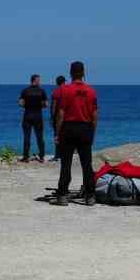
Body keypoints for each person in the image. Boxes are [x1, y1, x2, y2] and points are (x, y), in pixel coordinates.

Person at [52, 60, 99, 207]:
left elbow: (60, 113)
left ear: (71, 73)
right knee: (87, 164)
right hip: (85, 128)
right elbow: (95, 114)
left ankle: (63, 195)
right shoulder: (91, 91)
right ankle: (90, 196)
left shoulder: (65, 90)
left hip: (69, 128)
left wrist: (57, 132)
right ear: (84, 73)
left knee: (66, 164)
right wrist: (92, 132)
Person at [18, 74, 48, 162]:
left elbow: (20, 103)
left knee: (27, 136)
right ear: (35, 80)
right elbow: (46, 104)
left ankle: (26, 157)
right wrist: (40, 105)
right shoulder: (42, 91)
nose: (40, 82)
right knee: (39, 137)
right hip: (38, 115)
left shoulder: (25, 90)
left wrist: (27, 105)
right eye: (39, 80)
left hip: (27, 115)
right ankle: (42, 156)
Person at [49, 74, 66, 164]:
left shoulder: (56, 91)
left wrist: (51, 117)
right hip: (67, 116)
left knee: (57, 135)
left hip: (58, 117)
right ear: (64, 82)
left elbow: (54, 106)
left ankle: (57, 155)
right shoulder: (68, 90)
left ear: (57, 82)